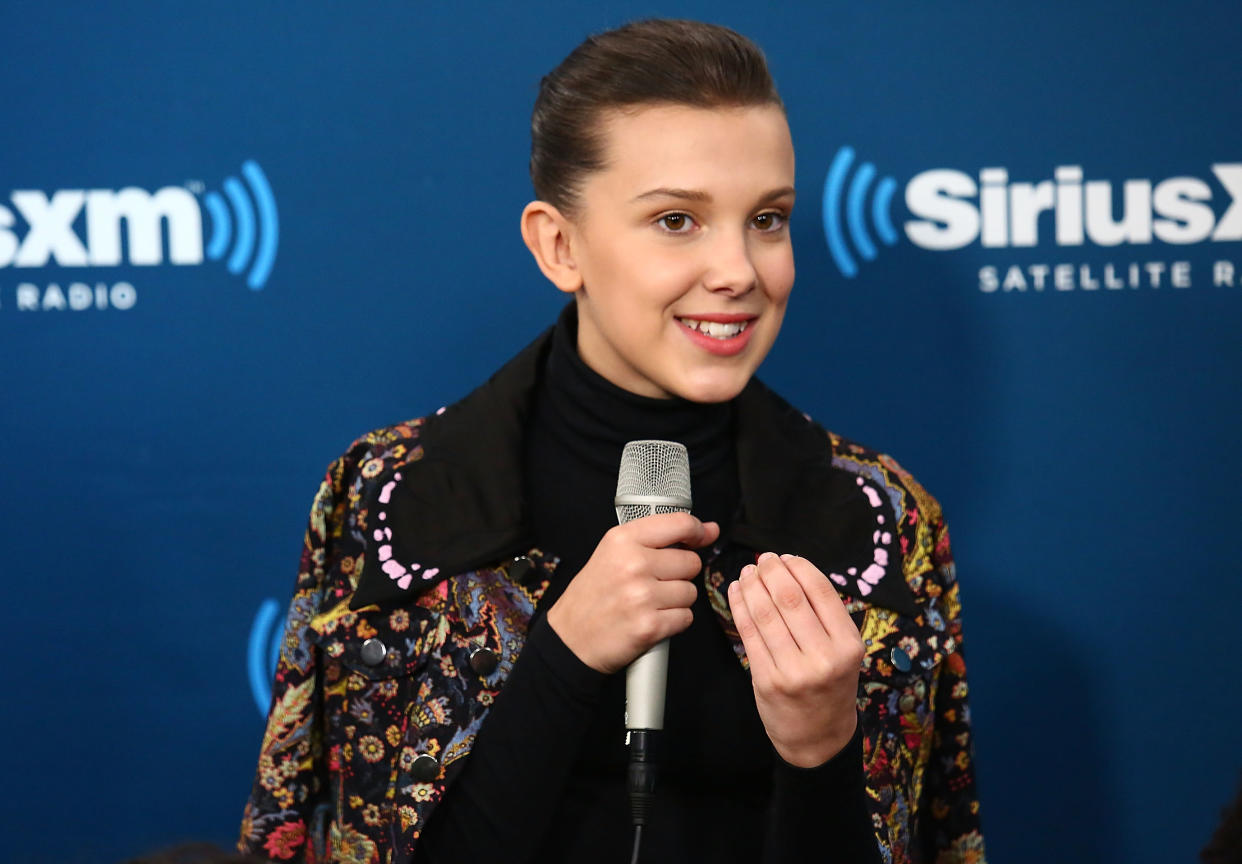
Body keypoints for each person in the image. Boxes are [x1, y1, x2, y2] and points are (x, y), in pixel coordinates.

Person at [239, 19, 985, 864]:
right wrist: (562, 657)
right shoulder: (387, 499)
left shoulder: (884, 521)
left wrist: (820, 751)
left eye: (768, 219)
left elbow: (931, 840)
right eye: (677, 220)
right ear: (560, 246)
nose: (739, 269)